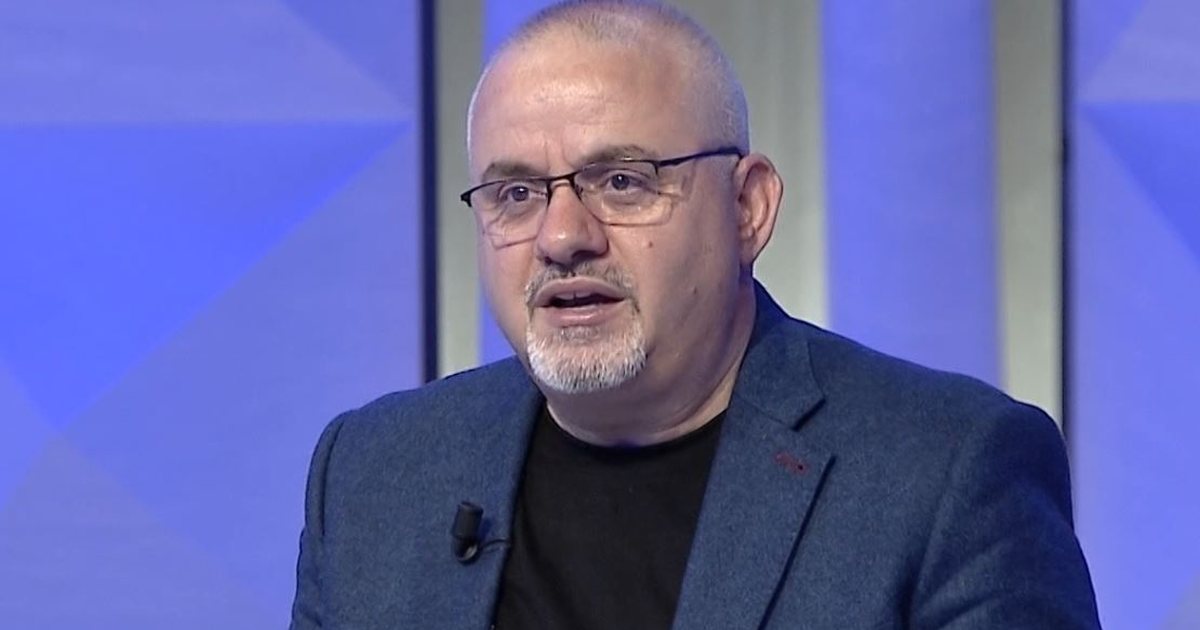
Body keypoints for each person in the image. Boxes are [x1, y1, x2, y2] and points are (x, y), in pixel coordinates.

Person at [290, 1, 1101, 628]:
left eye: (622, 182)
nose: (562, 237)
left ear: (747, 208)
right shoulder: (374, 474)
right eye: (515, 194)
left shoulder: (947, 471)